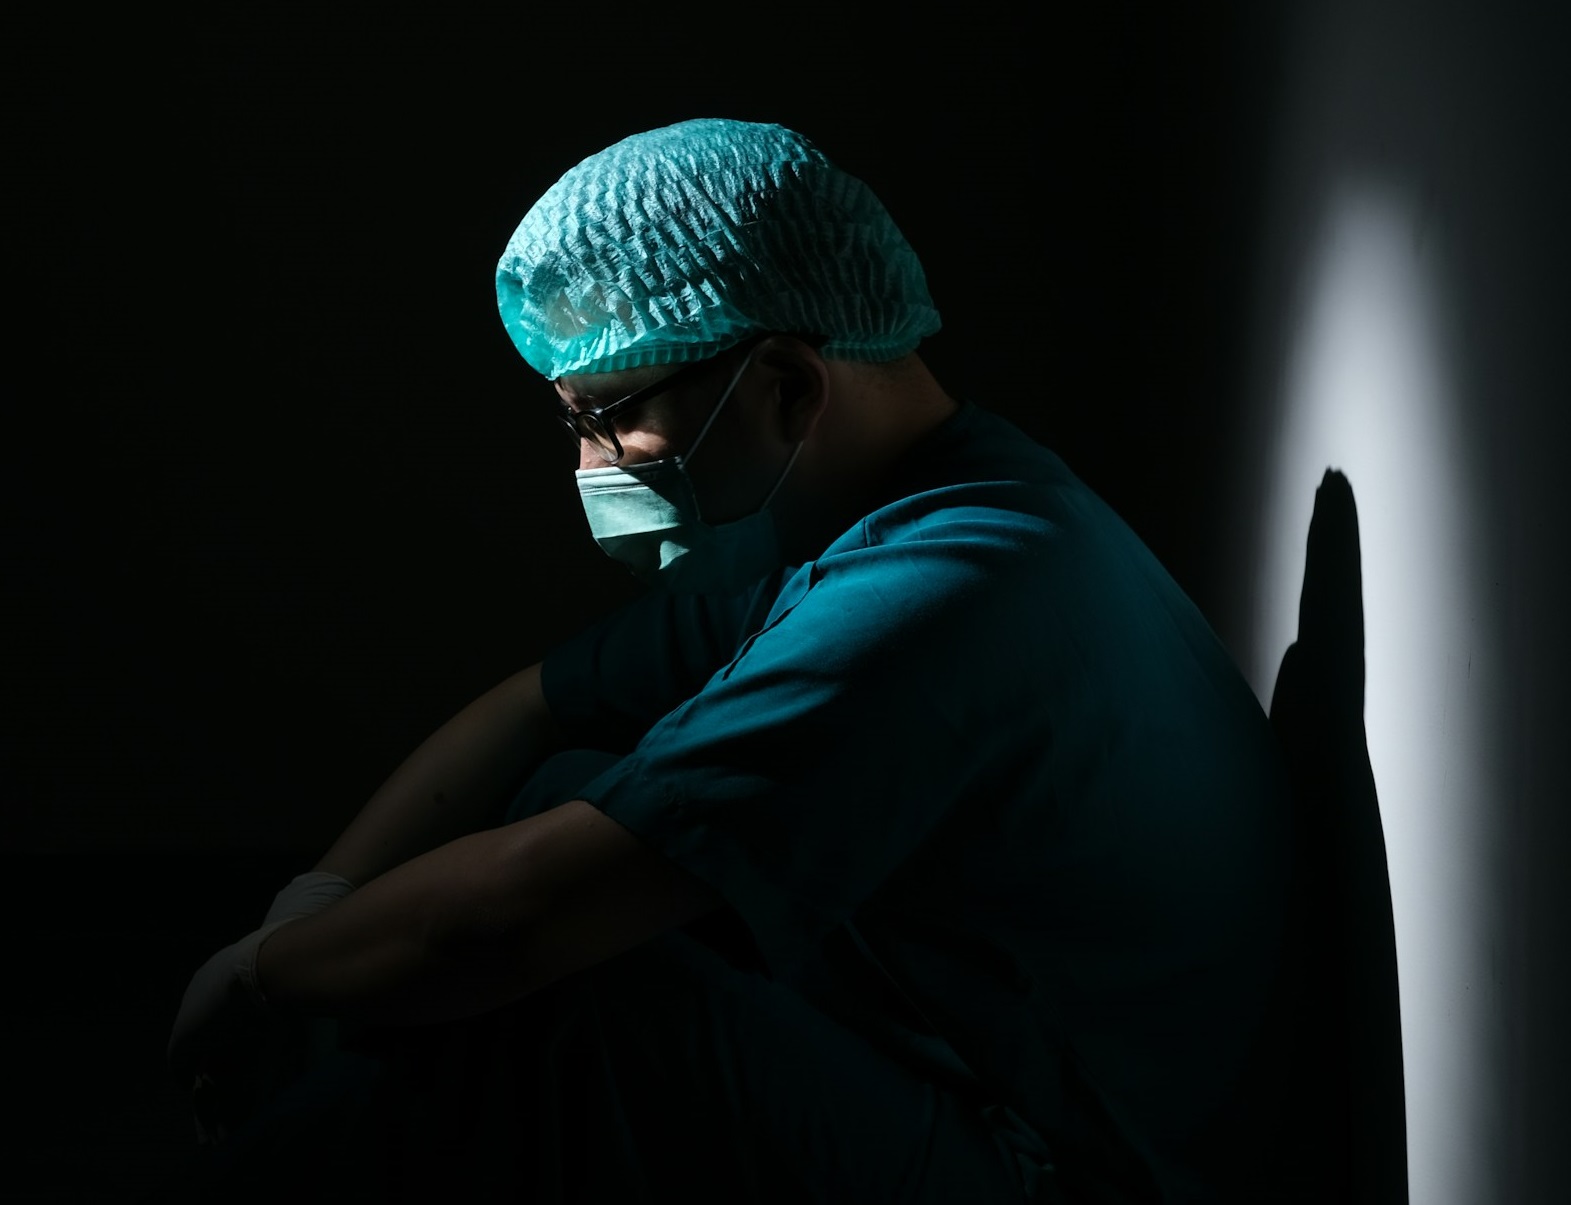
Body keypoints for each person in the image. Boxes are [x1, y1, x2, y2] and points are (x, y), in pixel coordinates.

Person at [166, 118, 1303, 1204]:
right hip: (975, 1043)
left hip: (1063, 1168)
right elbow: (536, 704)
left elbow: (502, 922)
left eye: (607, 417)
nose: (588, 461)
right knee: (568, 800)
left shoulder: (941, 593)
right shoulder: (915, 497)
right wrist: (310, 902)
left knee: (582, 984)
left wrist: (264, 974)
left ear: (786, 386)